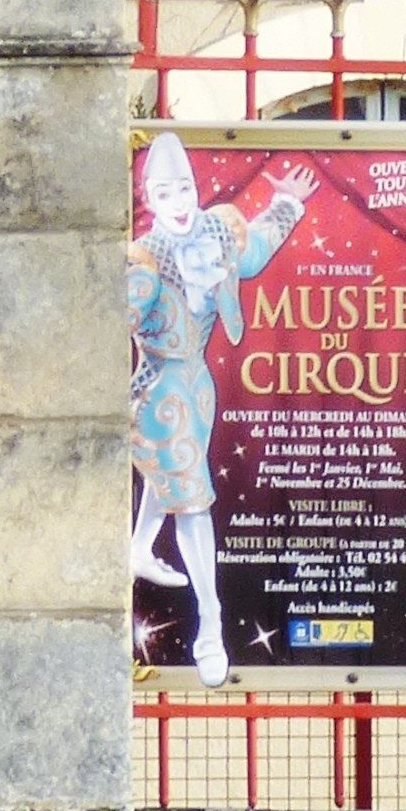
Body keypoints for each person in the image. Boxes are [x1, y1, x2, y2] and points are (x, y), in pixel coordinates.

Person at [128, 133, 314, 683]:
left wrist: (285, 204)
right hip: (160, 391)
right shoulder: (143, 258)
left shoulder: (216, 228)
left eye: (184, 188)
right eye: (166, 193)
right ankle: (212, 627)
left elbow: (252, 253)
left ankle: (138, 549)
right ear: (150, 200)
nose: (180, 200)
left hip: (198, 389)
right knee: (192, 502)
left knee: (177, 483)